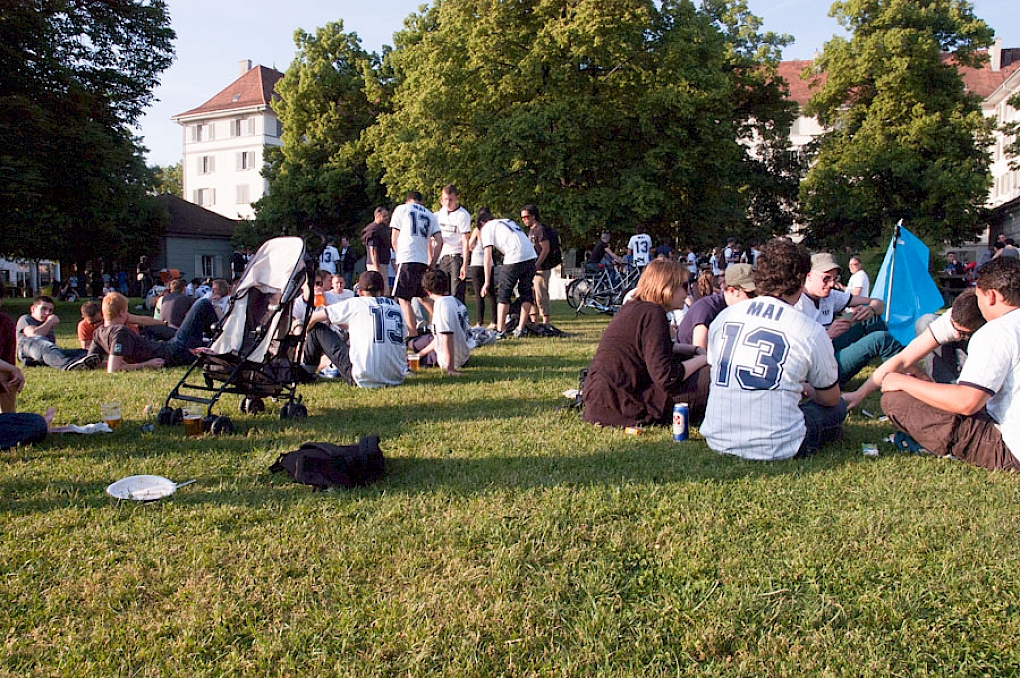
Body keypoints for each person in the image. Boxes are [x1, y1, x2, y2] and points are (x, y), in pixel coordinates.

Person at [701, 238, 846, 461]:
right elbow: (830, 398)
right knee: (837, 408)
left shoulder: (724, 317)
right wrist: (805, 388)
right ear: (800, 280)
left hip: (718, 435)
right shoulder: (808, 328)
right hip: (776, 445)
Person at [881, 258, 1020, 471]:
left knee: (895, 401)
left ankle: (937, 444)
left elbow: (967, 402)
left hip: (1010, 449)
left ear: (990, 296)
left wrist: (903, 382)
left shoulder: (997, 331)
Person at [582, 259, 710, 428]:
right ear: (667, 287)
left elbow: (652, 348)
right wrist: (704, 359)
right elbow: (667, 377)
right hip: (624, 406)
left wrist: (693, 349)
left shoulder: (633, 307)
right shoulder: (653, 313)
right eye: (684, 287)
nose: (687, 294)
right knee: (710, 376)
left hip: (601, 400)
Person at [843, 289, 986, 409]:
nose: (956, 335)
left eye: (963, 333)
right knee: (925, 322)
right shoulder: (950, 321)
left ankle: (951, 394)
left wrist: (904, 382)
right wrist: (858, 394)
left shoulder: (993, 334)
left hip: (981, 390)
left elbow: (968, 403)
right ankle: (943, 388)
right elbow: (903, 359)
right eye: (954, 328)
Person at [795, 252, 902, 385]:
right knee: (881, 338)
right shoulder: (796, 304)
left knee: (868, 317)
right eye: (826, 278)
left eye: (835, 278)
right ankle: (905, 377)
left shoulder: (830, 295)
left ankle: (895, 365)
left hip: (830, 350)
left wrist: (871, 309)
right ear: (809, 276)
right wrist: (826, 335)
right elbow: (796, 353)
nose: (831, 284)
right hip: (817, 369)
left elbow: (878, 303)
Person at [300, 271, 406, 388]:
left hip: (363, 376)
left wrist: (304, 335)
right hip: (396, 377)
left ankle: (307, 372)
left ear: (359, 291)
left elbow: (314, 318)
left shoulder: (356, 303)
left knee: (317, 328)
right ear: (383, 290)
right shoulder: (396, 307)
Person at [87, 292, 220, 372]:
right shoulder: (119, 331)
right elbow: (113, 369)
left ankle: (215, 344)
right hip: (172, 351)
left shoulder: (98, 333)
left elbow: (92, 363)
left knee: (205, 348)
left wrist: (127, 364)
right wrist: (145, 365)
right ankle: (222, 340)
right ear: (122, 312)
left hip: (169, 349)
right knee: (202, 304)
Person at [477, 210, 538, 338]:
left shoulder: (487, 227)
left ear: (482, 223)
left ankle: (500, 330)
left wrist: (487, 282)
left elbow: (488, 256)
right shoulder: (507, 221)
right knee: (526, 291)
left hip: (514, 256)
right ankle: (521, 329)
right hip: (531, 256)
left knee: (503, 294)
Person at [391, 191, 442, 338]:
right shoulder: (430, 214)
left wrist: (399, 257)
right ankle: (440, 323)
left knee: (403, 298)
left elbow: (394, 239)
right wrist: (432, 263)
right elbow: (439, 241)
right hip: (422, 259)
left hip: (407, 257)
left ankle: (412, 335)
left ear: (407, 200)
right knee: (423, 297)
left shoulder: (401, 209)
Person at [674, 263, 756, 349]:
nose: (755, 299)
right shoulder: (707, 308)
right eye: (751, 294)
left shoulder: (733, 309)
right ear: (732, 290)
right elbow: (699, 351)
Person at [408, 270, 471, 376]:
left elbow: (447, 336)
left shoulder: (442, 305)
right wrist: (420, 354)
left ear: (427, 291)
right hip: (463, 350)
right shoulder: (454, 300)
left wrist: (450, 368)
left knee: (409, 357)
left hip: (453, 358)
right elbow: (440, 337)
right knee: (414, 345)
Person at [15, 296, 99, 371]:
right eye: (43, 309)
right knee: (46, 346)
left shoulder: (47, 324)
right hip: (27, 347)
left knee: (84, 352)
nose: (48, 313)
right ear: (33, 309)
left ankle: (88, 362)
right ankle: (69, 365)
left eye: (50, 310)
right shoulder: (26, 318)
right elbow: (33, 334)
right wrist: (50, 321)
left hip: (47, 352)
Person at [522, 204, 562, 333]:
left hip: (542, 268)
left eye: (527, 217)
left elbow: (545, 249)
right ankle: (534, 321)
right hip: (532, 267)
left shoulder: (540, 230)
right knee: (531, 294)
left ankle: (545, 321)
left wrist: (537, 265)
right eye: (523, 218)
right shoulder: (530, 231)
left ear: (533, 216)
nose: (524, 220)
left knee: (541, 294)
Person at [435, 185, 472, 303]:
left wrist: (464, 265)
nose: (448, 202)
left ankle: (460, 319)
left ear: (456, 198)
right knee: (443, 293)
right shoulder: (438, 215)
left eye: (450, 199)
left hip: (456, 255)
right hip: (443, 256)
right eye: (445, 199)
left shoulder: (462, 215)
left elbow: (465, 241)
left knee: (456, 292)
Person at [466, 223, 496, 328]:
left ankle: (479, 322)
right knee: (492, 294)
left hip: (477, 262)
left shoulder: (477, 230)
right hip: (489, 263)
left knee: (479, 294)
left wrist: (473, 248)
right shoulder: (492, 231)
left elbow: (469, 245)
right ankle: (494, 321)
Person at [361, 207, 392, 296]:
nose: (387, 218)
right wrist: (377, 270)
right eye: (384, 216)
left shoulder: (381, 229)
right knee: (382, 289)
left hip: (382, 264)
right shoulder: (374, 231)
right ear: (377, 216)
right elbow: (373, 251)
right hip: (377, 264)